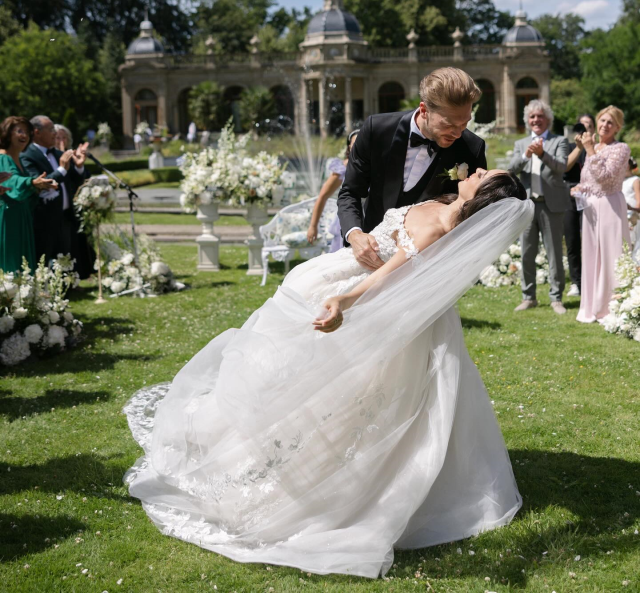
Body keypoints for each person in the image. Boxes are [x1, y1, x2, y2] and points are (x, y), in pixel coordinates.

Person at [125, 169, 531, 578]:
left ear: (485, 196)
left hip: (367, 301)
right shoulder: (443, 203)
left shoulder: (442, 228)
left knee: (336, 398)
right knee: (290, 379)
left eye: (483, 175)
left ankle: (316, 484)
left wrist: (343, 302)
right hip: (341, 269)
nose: (475, 170)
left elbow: (388, 277)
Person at [338, 67, 487, 272]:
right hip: (369, 256)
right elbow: (350, 192)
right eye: (449, 124)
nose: (458, 133)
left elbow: (471, 213)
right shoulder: (377, 130)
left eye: (464, 123)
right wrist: (355, 235)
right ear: (424, 110)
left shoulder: (472, 148)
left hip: (428, 267)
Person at [509, 100, 570, 314]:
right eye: (532, 117)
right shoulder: (521, 144)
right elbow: (511, 169)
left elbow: (562, 167)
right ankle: (529, 297)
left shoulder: (559, 141)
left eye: (540, 116)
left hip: (551, 205)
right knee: (527, 253)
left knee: (554, 253)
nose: (536, 120)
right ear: (527, 120)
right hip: (528, 206)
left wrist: (543, 153)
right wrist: (527, 154)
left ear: (548, 120)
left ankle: (556, 298)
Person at [573, 106, 631, 322]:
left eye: (611, 122)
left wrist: (589, 150)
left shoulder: (621, 148)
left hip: (610, 207)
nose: (605, 125)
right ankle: (591, 305)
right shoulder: (594, 146)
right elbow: (589, 178)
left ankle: (613, 306)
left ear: (617, 127)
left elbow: (606, 178)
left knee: (611, 255)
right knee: (591, 256)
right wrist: (579, 188)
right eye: (603, 120)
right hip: (590, 210)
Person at [20, 115, 89, 265]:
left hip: (64, 216)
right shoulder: (27, 156)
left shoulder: (58, 153)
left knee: (64, 258)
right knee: (43, 259)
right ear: (36, 132)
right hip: (43, 219)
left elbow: (74, 182)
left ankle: (67, 287)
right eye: (50, 129)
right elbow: (39, 184)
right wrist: (62, 169)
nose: (55, 133)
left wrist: (78, 167)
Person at [0, 116, 58, 272]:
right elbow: (11, 181)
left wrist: (38, 187)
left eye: (26, 132)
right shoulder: (3, 157)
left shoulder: (18, 159)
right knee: (11, 267)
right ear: (7, 133)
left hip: (22, 219)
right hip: (8, 220)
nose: (24, 135)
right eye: (19, 131)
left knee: (23, 267)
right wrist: (31, 183)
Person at [307, 129, 359, 252]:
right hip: (348, 219)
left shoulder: (375, 167)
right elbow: (323, 196)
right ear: (349, 147)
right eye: (354, 144)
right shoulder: (342, 168)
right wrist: (313, 226)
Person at [54, 123, 95, 278]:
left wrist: (79, 166)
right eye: (58, 137)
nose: (61, 140)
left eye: (64, 137)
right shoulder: (49, 158)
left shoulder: (70, 158)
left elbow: (81, 178)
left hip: (72, 208)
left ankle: (78, 274)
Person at [563, 114, 596, 297]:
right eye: (581, 126)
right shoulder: (569, 147)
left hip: (591, 197)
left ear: (594, 129)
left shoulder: (597, 148)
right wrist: (578, 147)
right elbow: (565, 167)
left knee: (591, 239)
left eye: (588, 126)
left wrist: (590, 147)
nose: (584, 130)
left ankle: (592, 279)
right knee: (572, 241)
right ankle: (576, 282)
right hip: (570, 196)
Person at [622, 157, 640, 263]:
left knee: (633, 243)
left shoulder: (635, 180)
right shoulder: (619, 181)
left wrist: (632, 209)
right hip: (622, 215)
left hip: (633, 216)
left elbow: (638, 200)